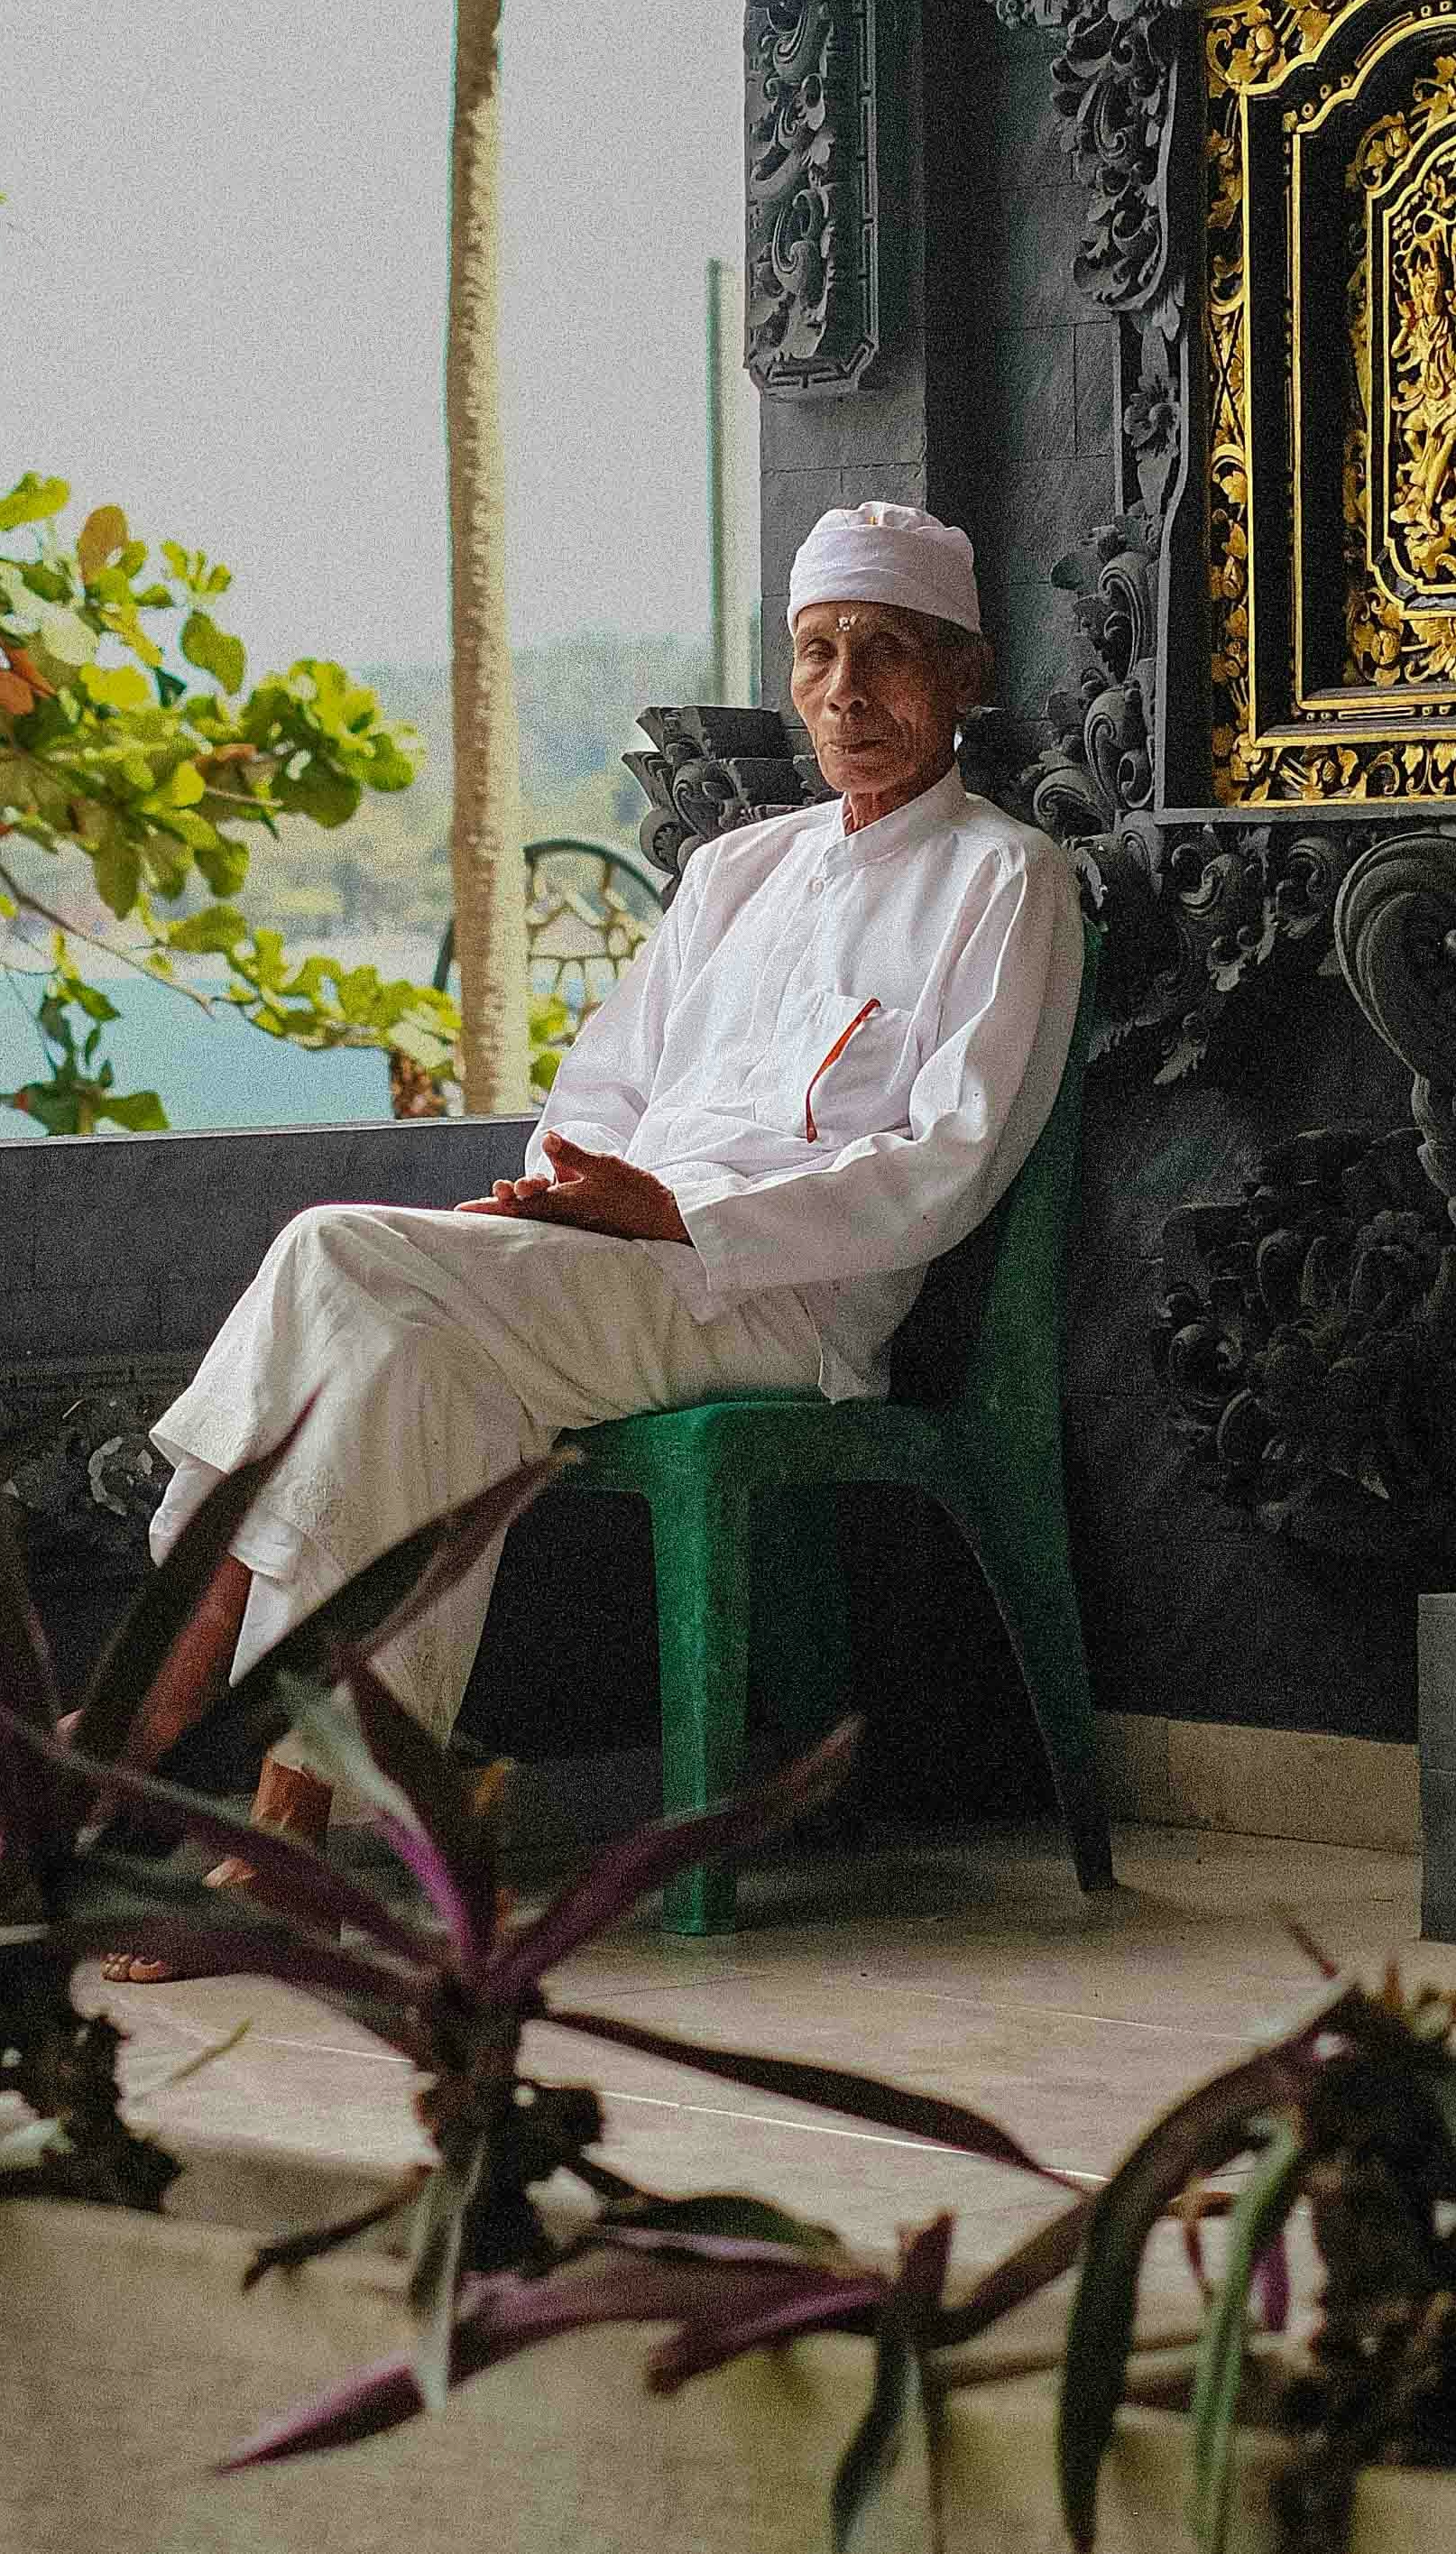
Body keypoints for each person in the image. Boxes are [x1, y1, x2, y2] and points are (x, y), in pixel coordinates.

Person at [103, 501, 1083, 1944]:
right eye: (816, 653)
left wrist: (678, 1213)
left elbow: (949, 1163)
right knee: (409, 1378)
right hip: (611, 1268)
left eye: (884, 653)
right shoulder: (738, 872)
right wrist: (582, 1195)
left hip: (780, 1302)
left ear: (964, 674)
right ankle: (291, 1840)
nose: (844, 691)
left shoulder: (1007, 879)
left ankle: (140, 1720)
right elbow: (605, 1084)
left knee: (332, 1252)